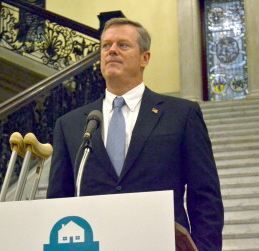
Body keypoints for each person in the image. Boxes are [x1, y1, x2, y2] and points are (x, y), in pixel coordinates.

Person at [47, 18, 224, 250]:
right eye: (106, 46)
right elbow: (58, 202)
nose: (111, 51)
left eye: (123, 45)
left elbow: (205, 197)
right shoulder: (70, 124)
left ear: (145, 58)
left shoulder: (181, 114)